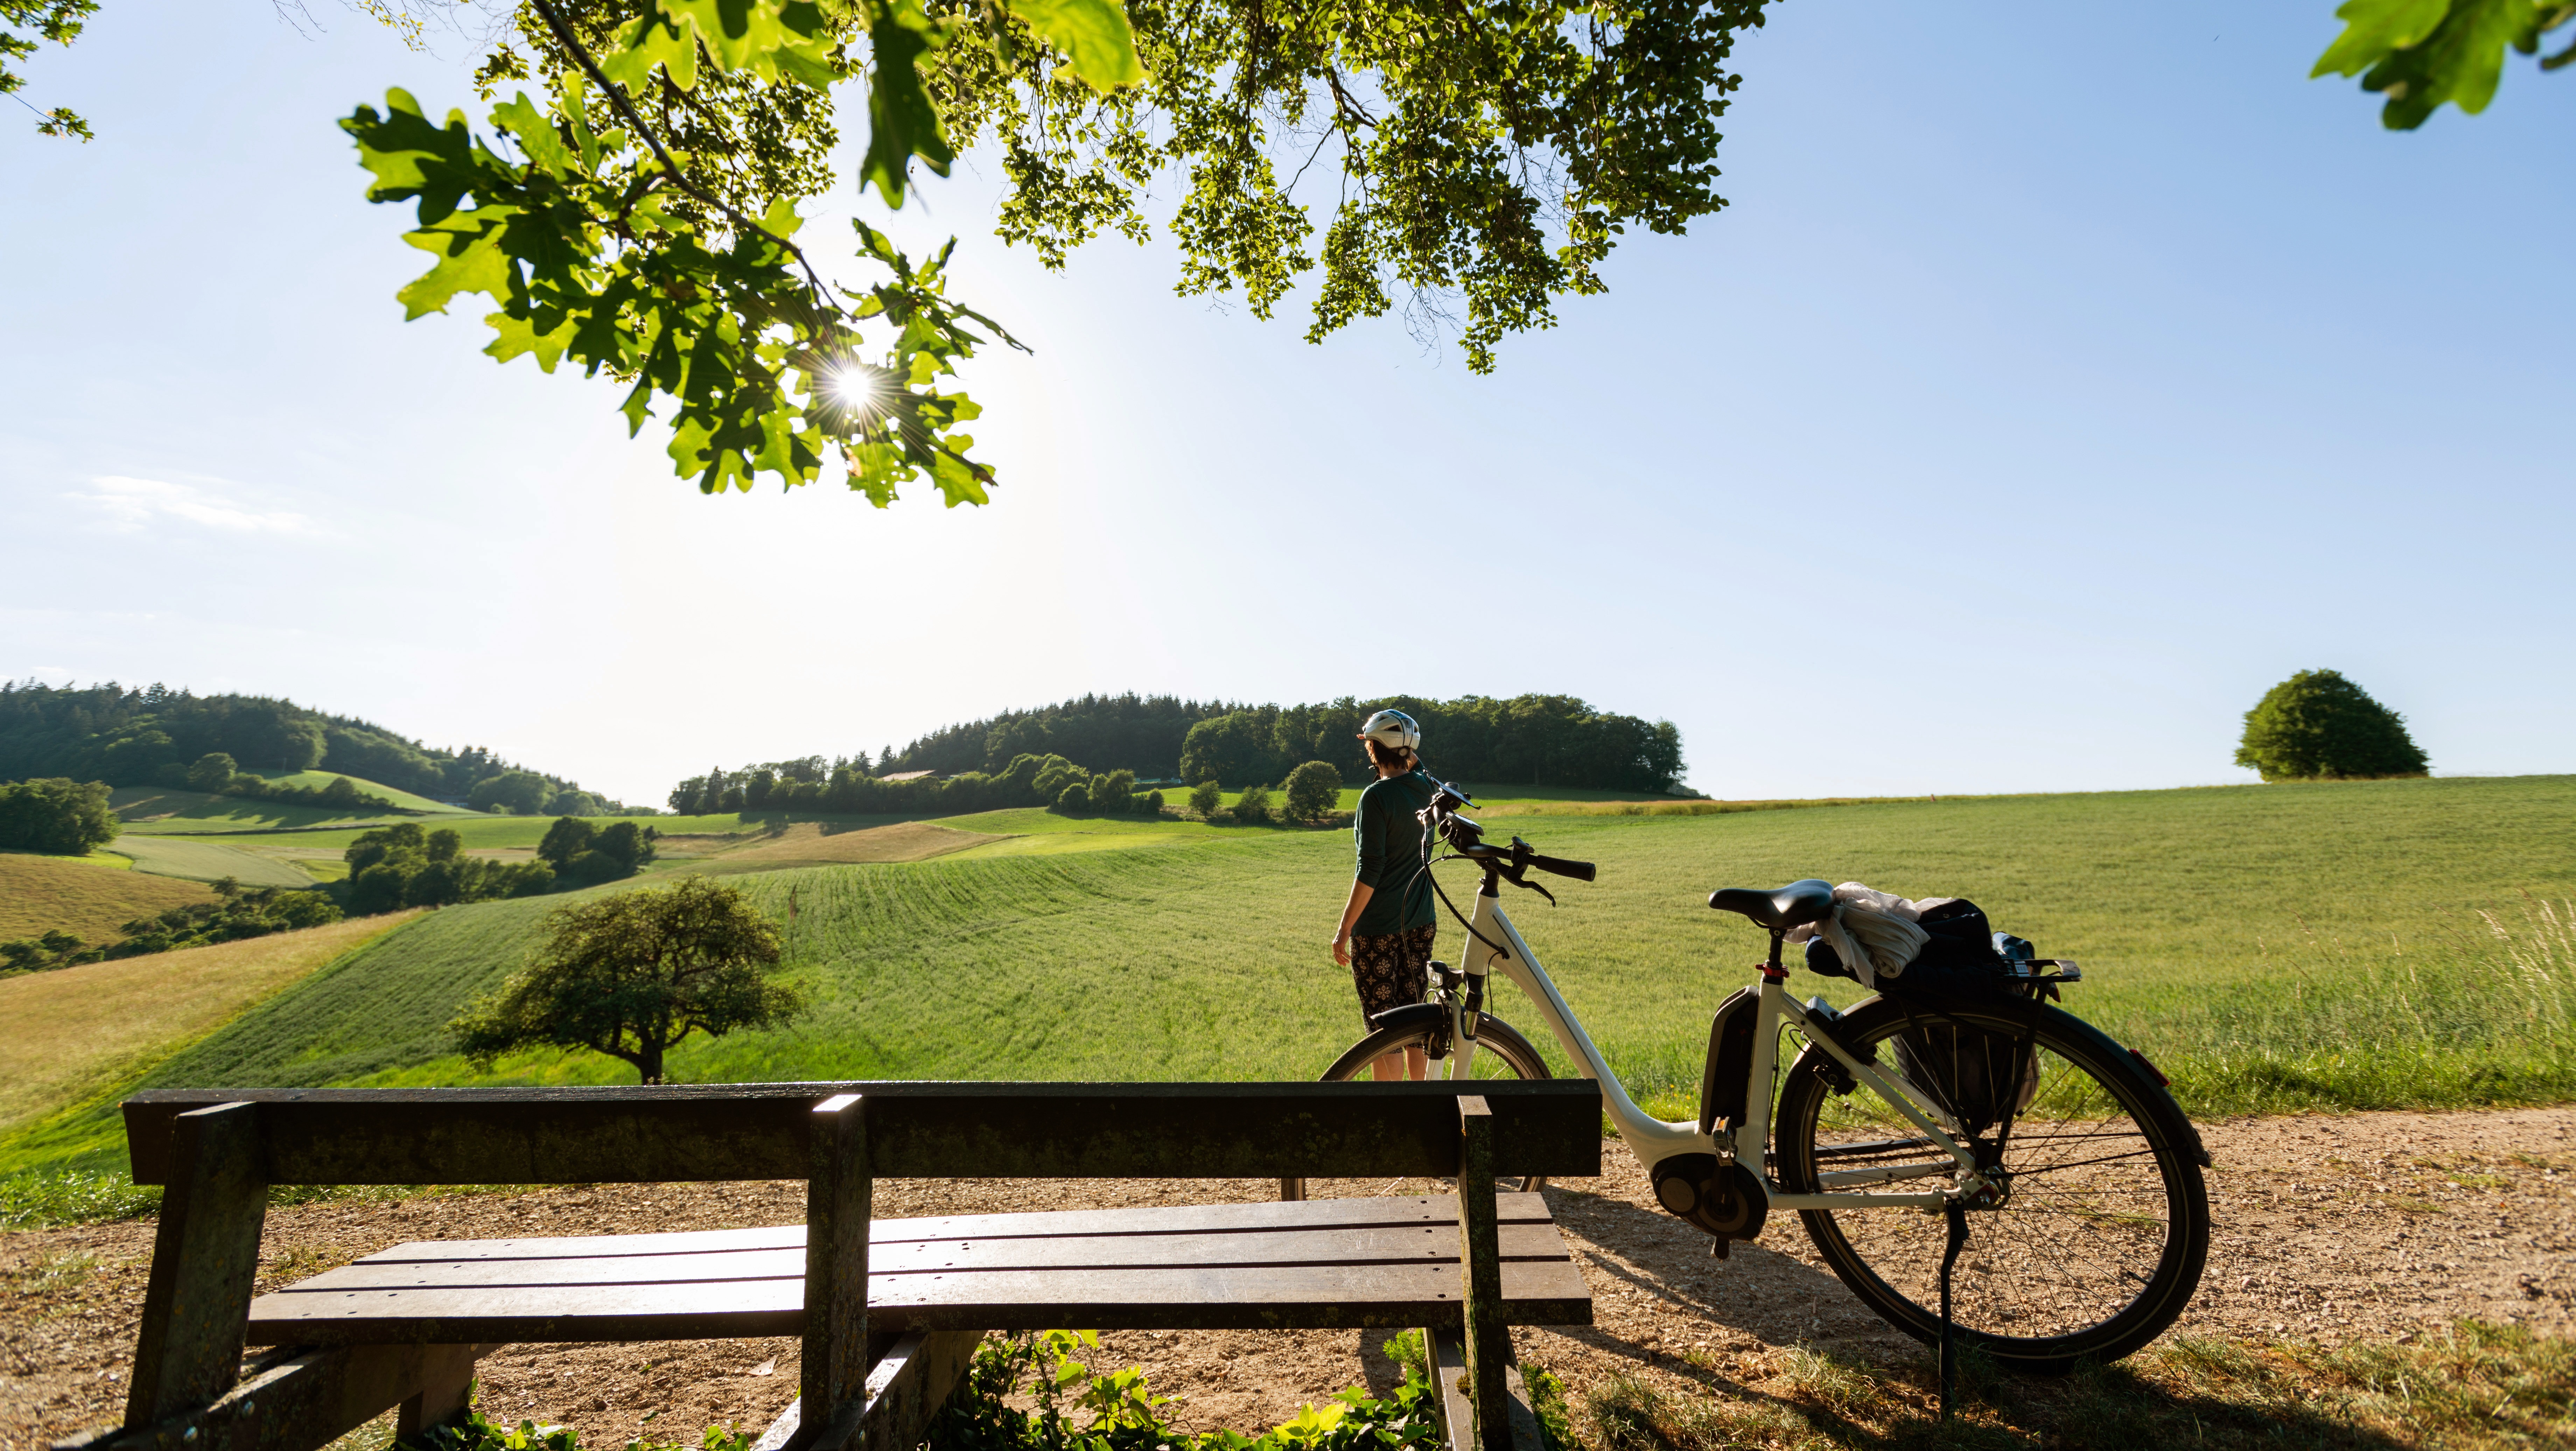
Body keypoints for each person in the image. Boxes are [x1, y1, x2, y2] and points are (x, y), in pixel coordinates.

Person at [1331, 708, 1440, 1081]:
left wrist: (1344, 929)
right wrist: (1408, 751)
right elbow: (1418, 765)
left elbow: (1371, 869)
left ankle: (1392, 1118)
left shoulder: (1375, 797)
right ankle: (1420, 1103)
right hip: (1421, 922)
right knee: (1413, 1021)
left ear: (1375, 748)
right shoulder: (1428, 787)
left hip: (1377, 928)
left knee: (1384, 1032)